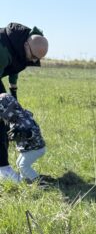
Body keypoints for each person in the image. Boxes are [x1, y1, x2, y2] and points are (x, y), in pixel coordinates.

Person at [0, 23, 49, 181]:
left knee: (6, 115)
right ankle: (3, 169)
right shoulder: (2, 51)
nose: (33, 60)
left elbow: (15, 66)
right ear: (26, 45)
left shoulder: (21, 46)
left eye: (37, 59)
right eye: (33, 56)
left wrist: (13, 90)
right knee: (1, 119)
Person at [0, 93, 46, 180]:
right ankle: (25, 180)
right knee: (18, 163)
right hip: (28, 148)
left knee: (23, 165)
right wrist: (14, 136)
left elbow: (35, 132)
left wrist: (23, 134)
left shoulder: (23, 120)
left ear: (7, 111)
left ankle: (38, 181)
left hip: (35, 148)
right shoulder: (15, 119)